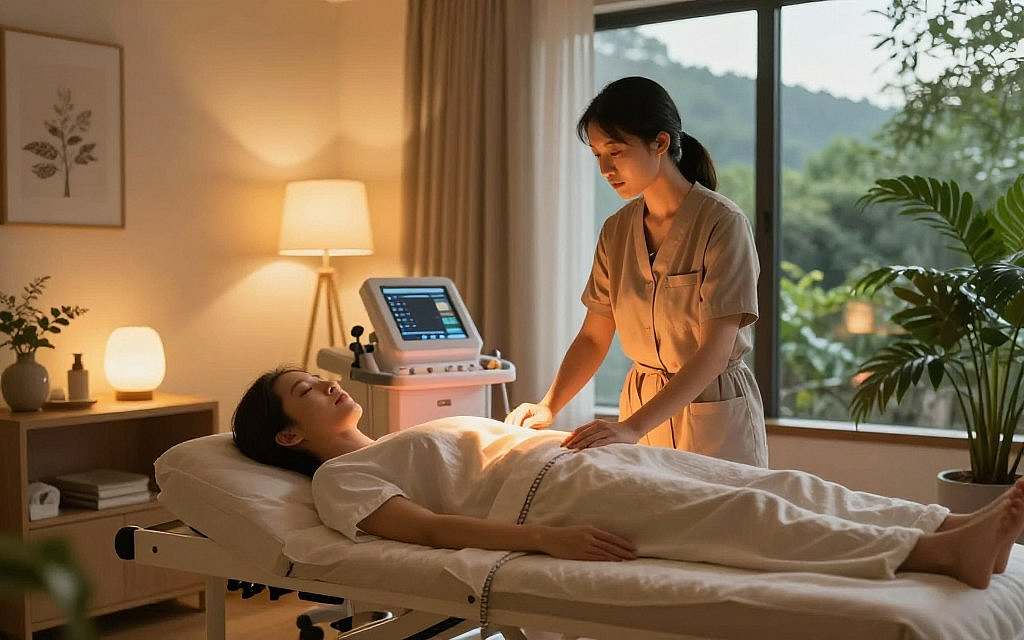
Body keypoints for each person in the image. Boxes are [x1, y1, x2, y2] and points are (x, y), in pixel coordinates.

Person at [231, 366, 1024, 590]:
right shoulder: (340, 483)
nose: (329, 382)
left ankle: (945, 526)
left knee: (780, 487)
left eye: (320, 376)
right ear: (289, 433)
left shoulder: (398, 436)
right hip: (556, 496)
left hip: (581, 459)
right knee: (740, 514)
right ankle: (932, 558)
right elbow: (432, 532)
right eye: (306, 390)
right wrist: (546, 541)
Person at [505, 76, 767, 468]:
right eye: (597, 155)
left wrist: (630, 427)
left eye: (616, 151)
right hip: (641, 405)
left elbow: (716, 351)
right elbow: (594, 336)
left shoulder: (722, 223)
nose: (606, 168)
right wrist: (548, 406)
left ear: (660, 143)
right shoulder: (617, 229)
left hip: (712, 407)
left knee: (720, 524)